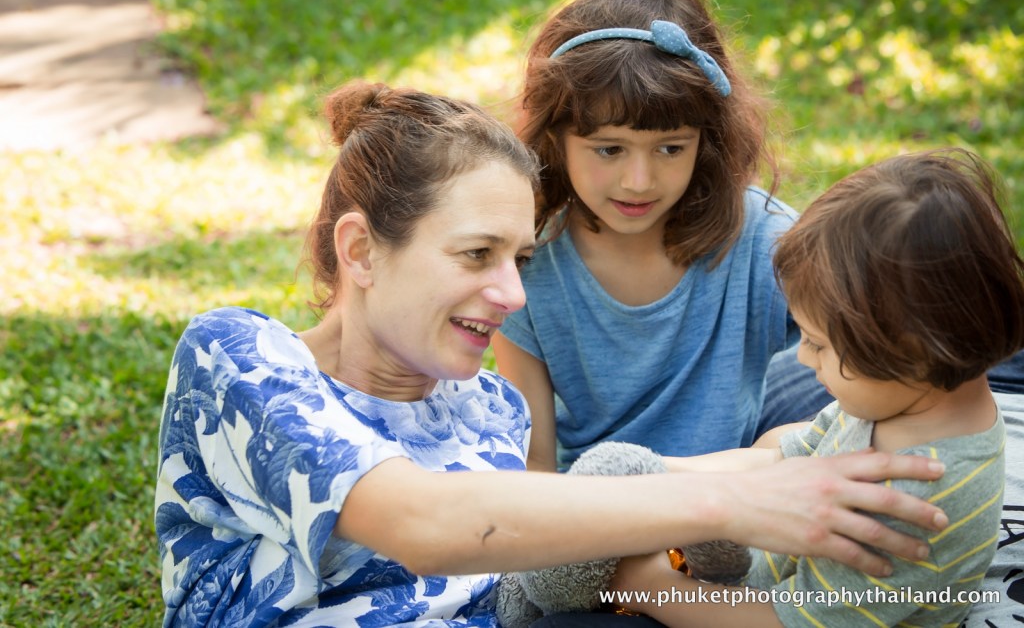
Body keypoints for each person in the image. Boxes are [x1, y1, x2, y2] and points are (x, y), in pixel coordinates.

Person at [155, 82, 952, 627]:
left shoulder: (484, 403)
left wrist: (787, 467)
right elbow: (424, 523)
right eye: (476, 256)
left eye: (521, 260)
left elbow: (563, 533)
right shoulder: (243, 361)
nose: (512, 296)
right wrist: (734, 504)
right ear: (361, 252)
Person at [605, 148, 1024, 628]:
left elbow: (786, 622)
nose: (802, 357)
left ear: (914, 353)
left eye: (819, 344)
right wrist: (654, 477)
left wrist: (650, 586)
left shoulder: (909, 501)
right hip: (757, 574)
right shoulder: (904, 401)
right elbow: (785, 453)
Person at [491, 0, 801, 472]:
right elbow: (536, 468)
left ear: (707, 141)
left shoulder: (764, 241)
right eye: (609, 149)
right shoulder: (524, 261)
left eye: (671, 148)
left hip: (734, 506)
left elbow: (875, 374)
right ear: (556, 139)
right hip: (597, 520)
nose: (639, 181)